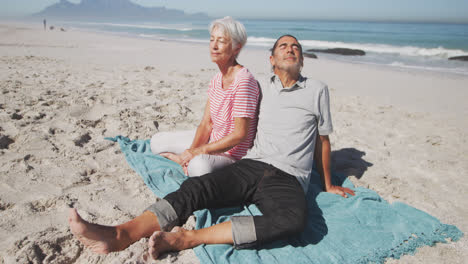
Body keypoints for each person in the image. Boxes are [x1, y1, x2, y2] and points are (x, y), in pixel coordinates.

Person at [68, 35, 355, 260]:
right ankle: (122, 234)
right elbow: (227, 90)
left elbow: (322, 140)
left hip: (289, 177)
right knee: (197, 187)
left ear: (302, 59)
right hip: (252, 165)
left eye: (296, 47)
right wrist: (198, 147)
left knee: (293, 221)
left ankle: (190, 238)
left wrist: (328, 184)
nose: (290, 49)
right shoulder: (258, 85)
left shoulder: (318, 89)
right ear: (271, 59)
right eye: (283, 46)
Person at [150, 16, 260, 176]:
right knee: (156, 142)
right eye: (212, 40)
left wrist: (197, 153)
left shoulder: (244, 80)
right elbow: (206, 124)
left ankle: (189, 162)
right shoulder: (216, 79)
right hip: (211, 143)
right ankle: (184, 161)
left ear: (236, 48)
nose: (214, 46)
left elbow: (239, 135)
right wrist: (189, 153)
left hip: (232, 155)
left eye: (221, 41)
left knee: (199, 167)